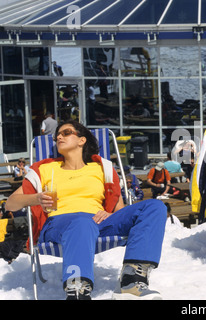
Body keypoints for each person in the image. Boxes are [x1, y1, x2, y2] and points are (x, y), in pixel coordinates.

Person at [5, 120, 167, 300]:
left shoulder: (101, 168)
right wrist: (36, 198)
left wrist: (112, 214)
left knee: (154, 206)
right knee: (81, 223)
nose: (59, 136)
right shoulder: (45, 169)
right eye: (57, 135)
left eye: (66, 133)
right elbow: (10, 204)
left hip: (98, 222)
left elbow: (120, 209)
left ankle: (131, 280)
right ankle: (77, 290)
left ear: (82, 140)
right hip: (59, 224)